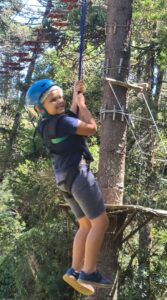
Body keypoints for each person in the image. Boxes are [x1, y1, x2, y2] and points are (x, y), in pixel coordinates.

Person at [26, 79, 112, 296]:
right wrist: (83, 105)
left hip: (64, 181)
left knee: (84, 225)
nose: (60, 101)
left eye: (60, 97)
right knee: (100, 222)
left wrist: (76, 95)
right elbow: (90, 128)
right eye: (53, 99)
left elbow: (68, 118)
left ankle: (74, 270)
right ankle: (88, 271)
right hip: (79, 176)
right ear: (40, 107)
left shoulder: (46, 125)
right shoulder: (63, 123)